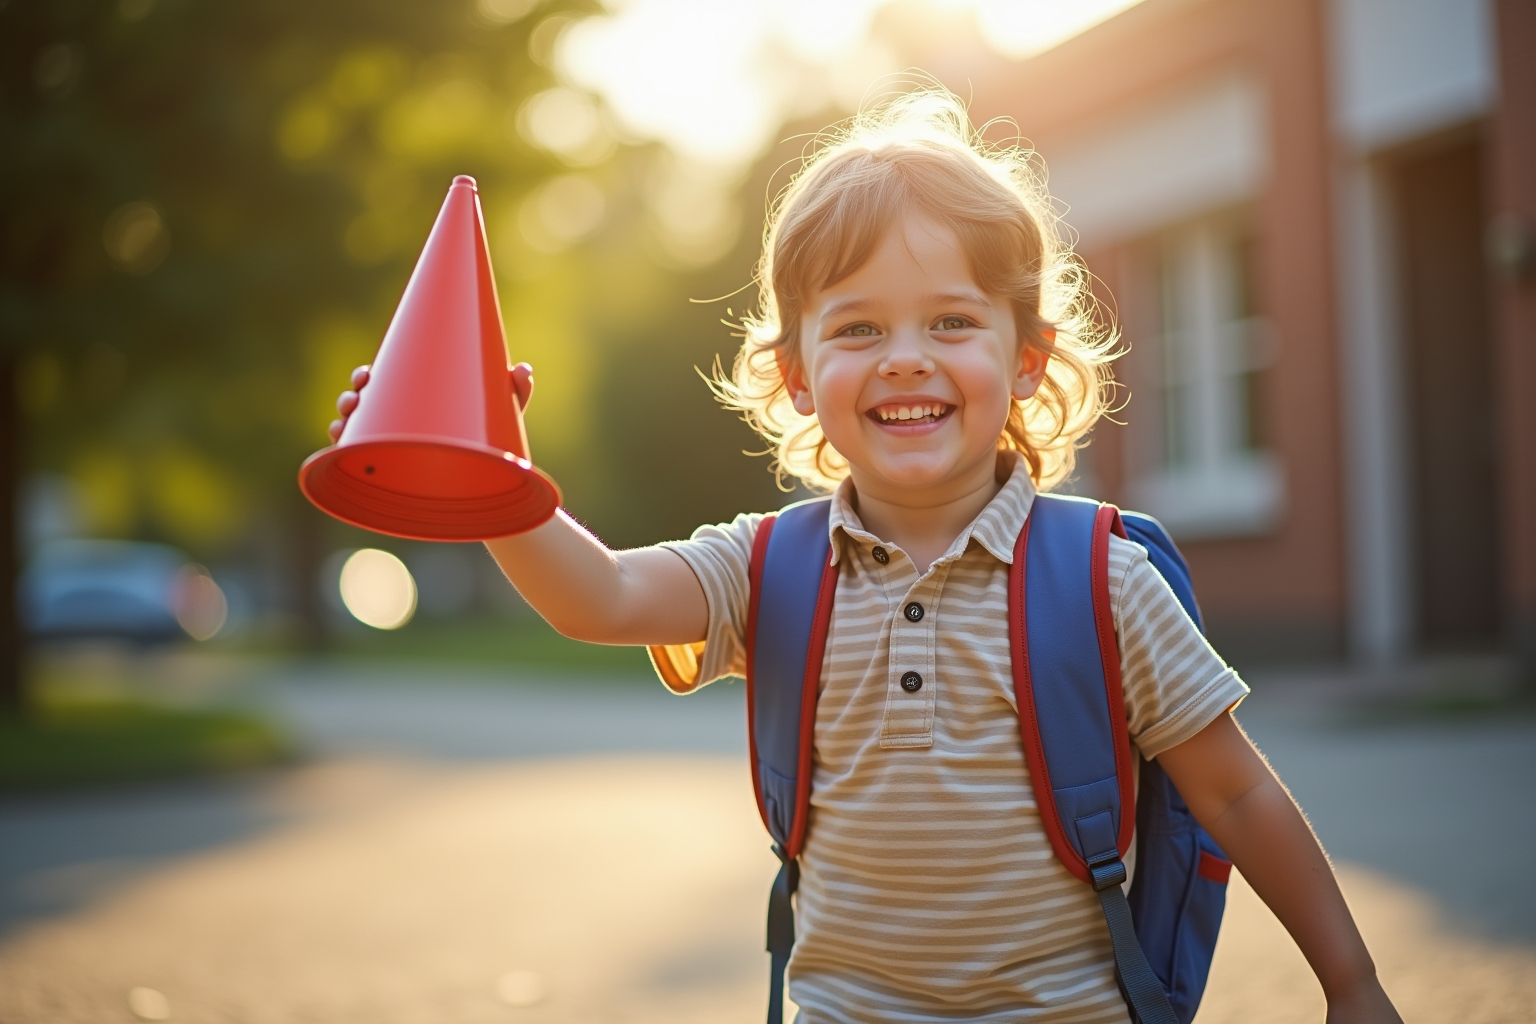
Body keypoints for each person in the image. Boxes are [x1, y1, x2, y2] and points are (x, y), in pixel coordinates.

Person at [330, 90, 1402, 1024]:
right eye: (855, 329)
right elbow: (598, 594)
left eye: (949, 320)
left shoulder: (1102, 578)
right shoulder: (767, 569)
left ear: (1025, 359)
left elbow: (1239, 797)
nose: (904, 358)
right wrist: (486, 478)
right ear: (796, 374)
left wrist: (1349, 982)